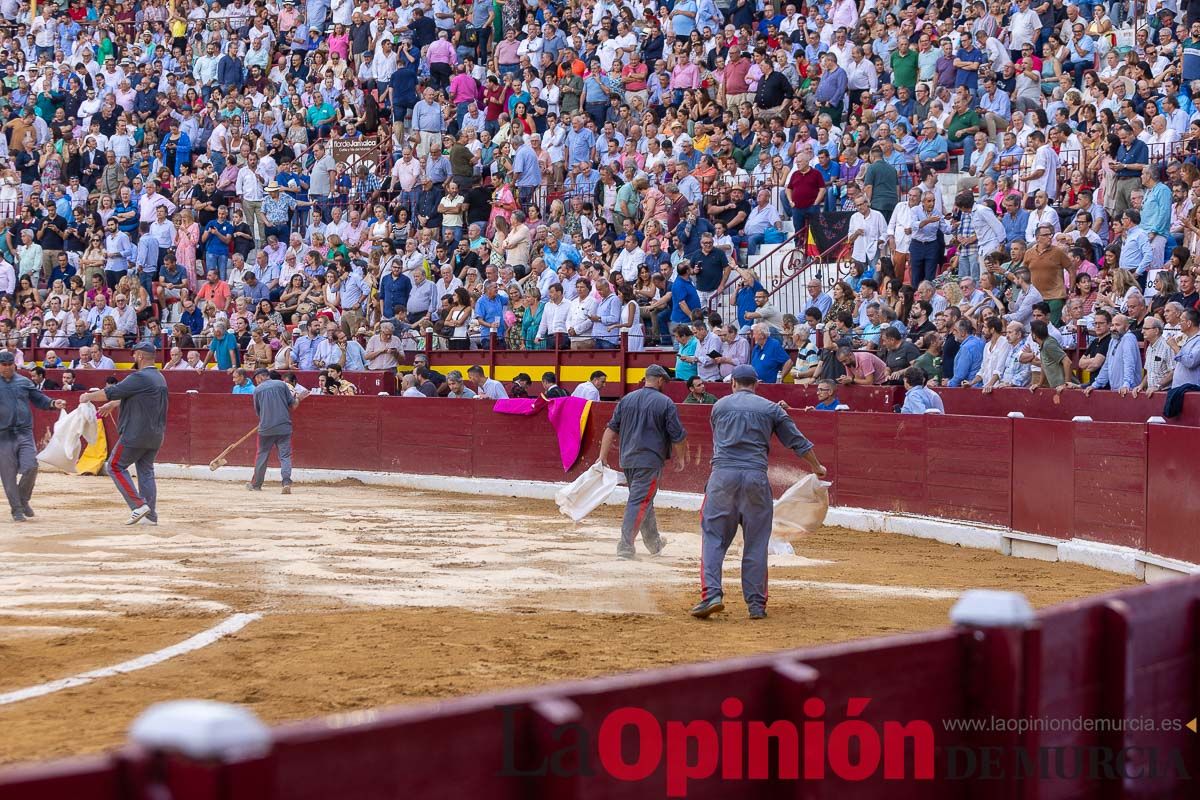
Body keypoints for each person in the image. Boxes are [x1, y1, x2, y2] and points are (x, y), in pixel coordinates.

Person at [691, 364, 827, 620]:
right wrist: (816, 467)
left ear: (733, 384)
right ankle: (756, 605)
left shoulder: (719, 407)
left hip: (722, 477)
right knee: (755, 543)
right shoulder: (770, 408)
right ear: (757, 385)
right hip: (755, 478)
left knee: (713, 539)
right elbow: (798, 442)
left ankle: (711, 595)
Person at [597, 364, 687, 559]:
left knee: (645, 500)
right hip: (649, 460)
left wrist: (602, 456)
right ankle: (625, 547)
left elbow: (611, 429)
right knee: (639, 501)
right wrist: (680, 458)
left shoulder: (626, 400)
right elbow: (677, 436)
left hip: (628, 459)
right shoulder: (665, 403)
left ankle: (654, 543)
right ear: (661, 380)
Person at [80, 342, 169, 525]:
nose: (134, 357)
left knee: (114, 465)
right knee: (145, 471)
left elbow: (112, 391)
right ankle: (150, 516)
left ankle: (138, 505)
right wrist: (114, 404)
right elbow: (138, 397)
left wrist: (88, 396)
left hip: (135, 433)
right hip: (155, 434)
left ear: (140, 356)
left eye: (135, 354)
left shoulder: (139, 377)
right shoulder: (159, 377)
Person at [0, 351, 66, 521]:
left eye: (9, 364)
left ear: (14, 364)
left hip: (24, 432)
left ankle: (22, 500)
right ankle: (17, 510)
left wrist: (52, 403)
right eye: (3, 364)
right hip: (3, 435)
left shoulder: (23, 381)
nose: (7, 368)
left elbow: (39, 398)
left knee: (31, 466)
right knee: (8, 475)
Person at [248, 369, 299, 494]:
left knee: (262, 455)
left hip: (266, 428)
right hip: (284, 426)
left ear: (260, 377)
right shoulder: (281, 385)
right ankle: (286, 482)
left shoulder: (257, 390)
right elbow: (293, 405)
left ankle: (256, 484)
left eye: (256, 379)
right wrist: (298, 399)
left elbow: (258, 412)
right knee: (285, 456)